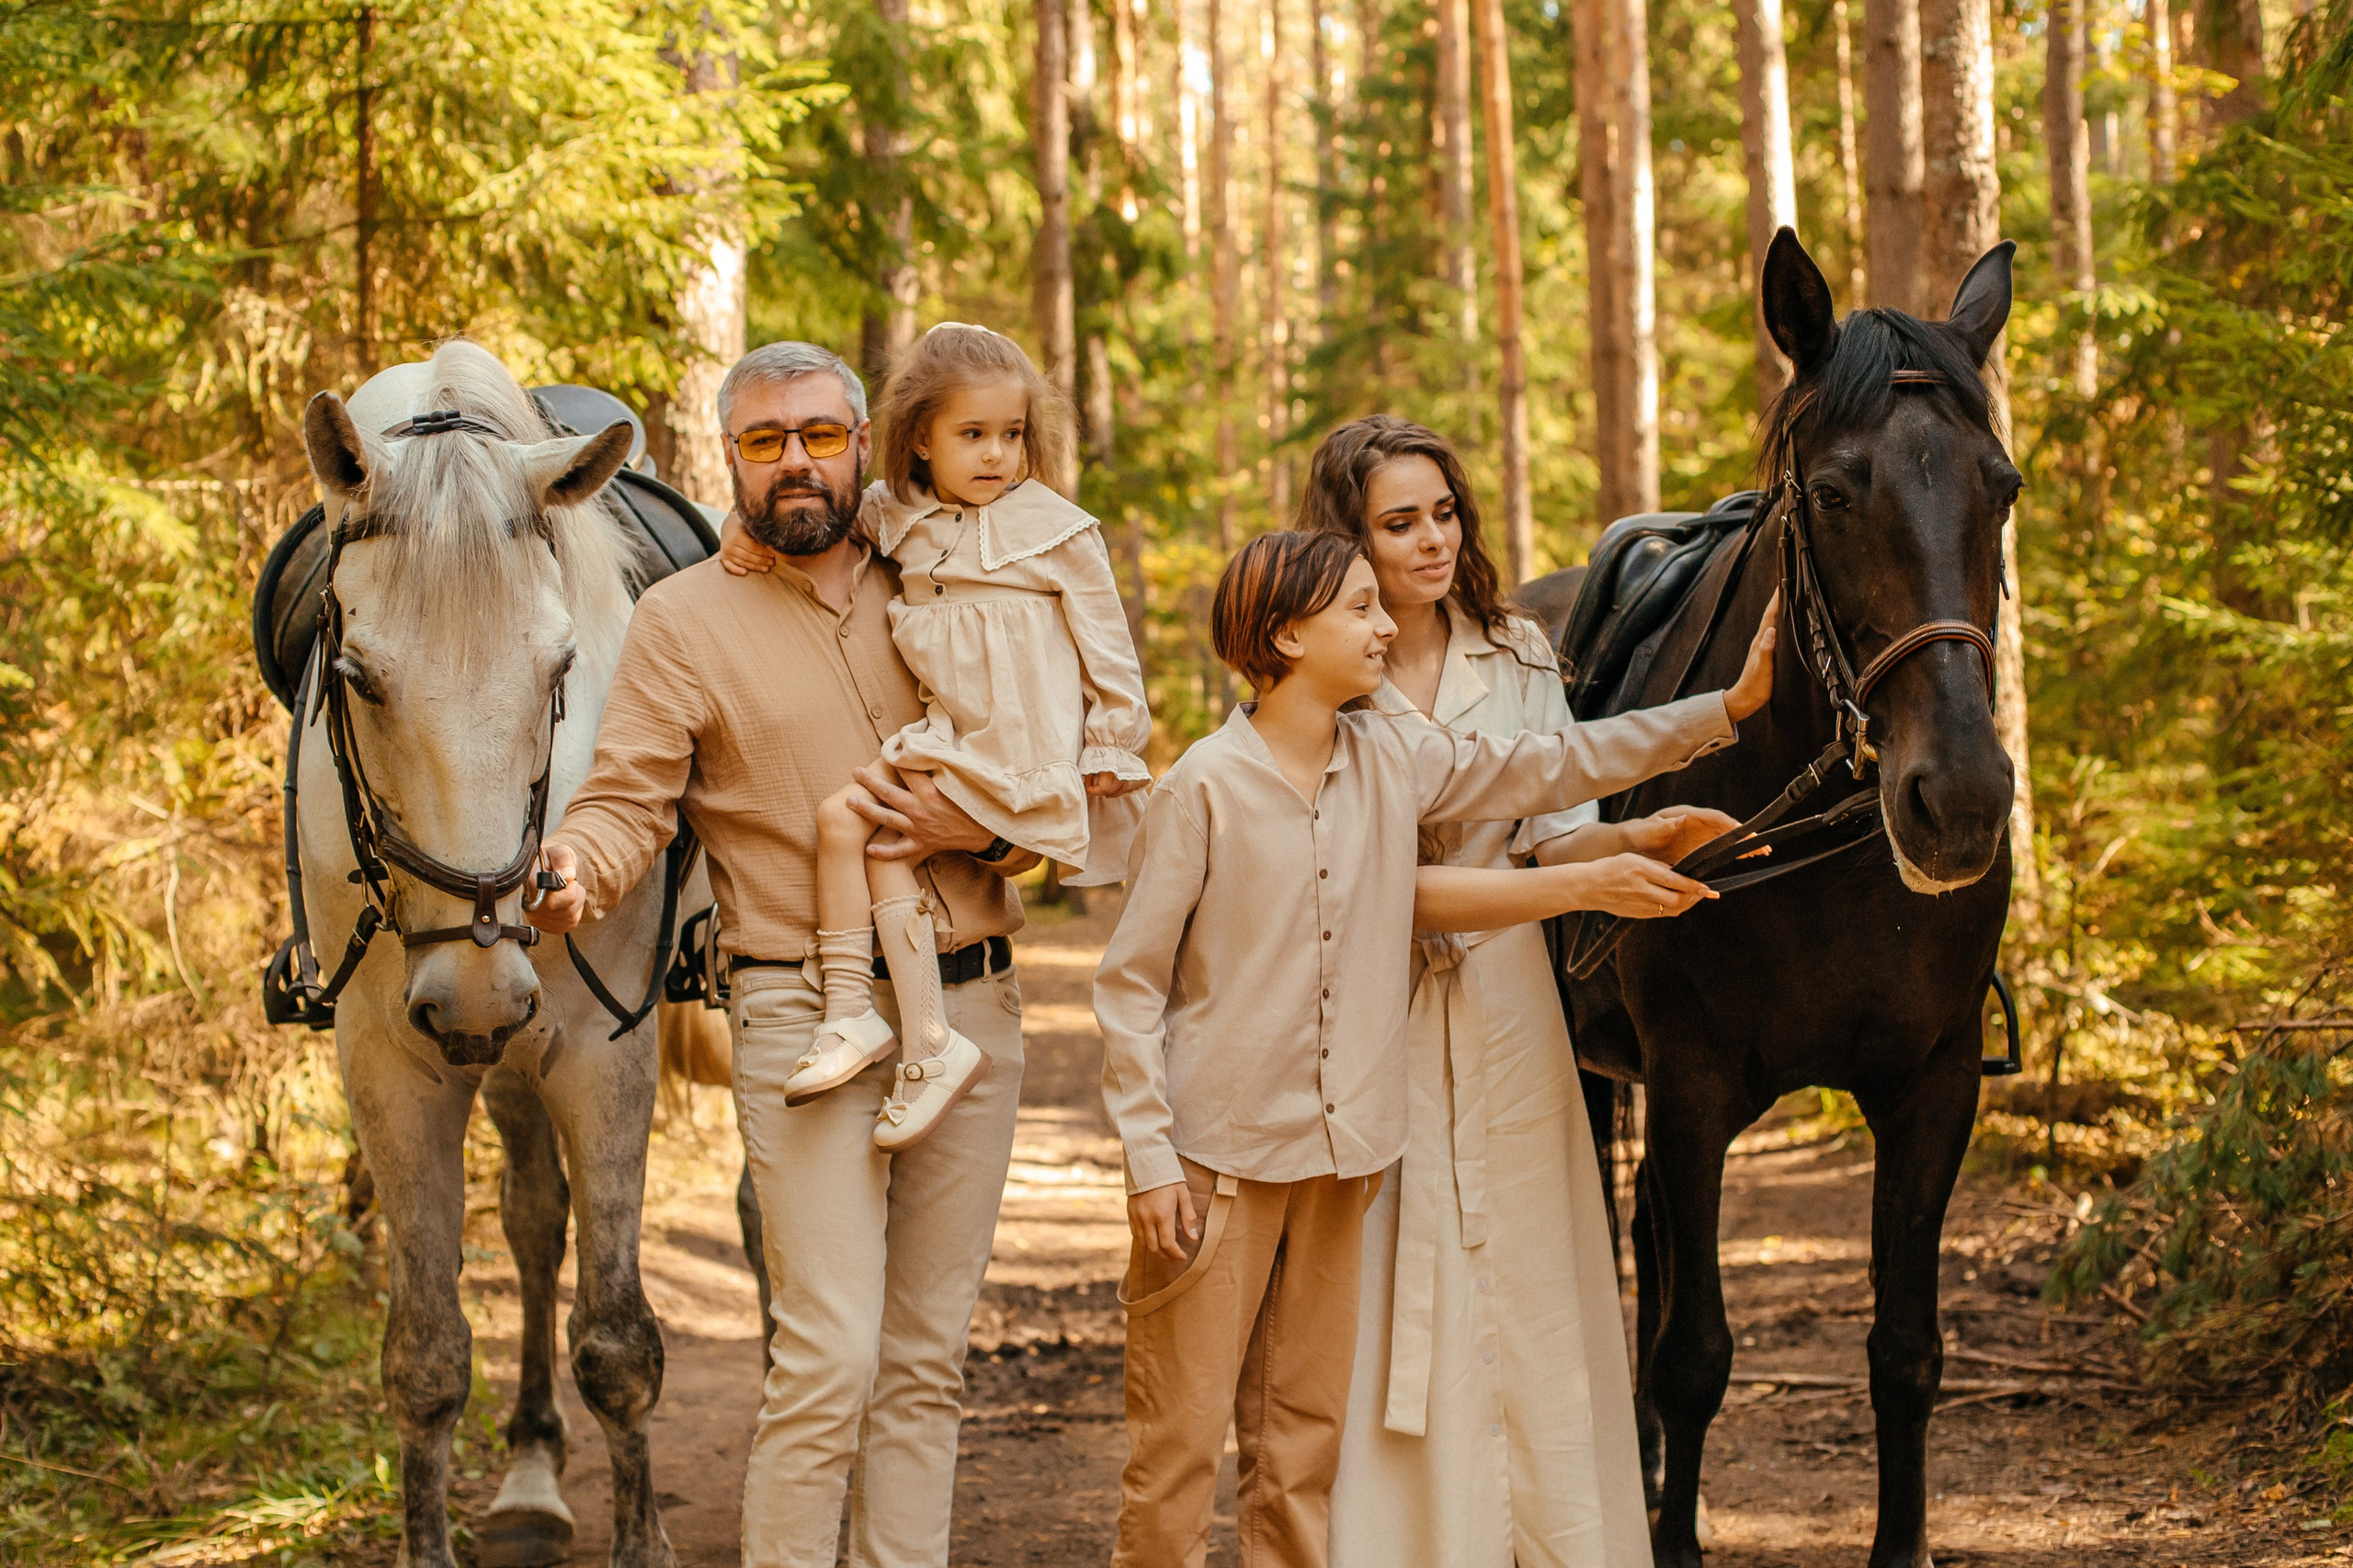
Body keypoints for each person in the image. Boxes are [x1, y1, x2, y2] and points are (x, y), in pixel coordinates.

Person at [1094, 529, 1774, 1568]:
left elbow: (1550, 762)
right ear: (1284, 634)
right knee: (1180, 1452)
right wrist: (1147, 1159)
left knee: (1300, 1446)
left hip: (1341, 1159)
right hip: (1212, 1165)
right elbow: (1129, 985)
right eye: (1359, 608)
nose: (1382, 625)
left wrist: (1721, 712)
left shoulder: (1391, 756)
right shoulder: (1202, 787)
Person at [523, 341, 1037, 1568]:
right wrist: (576, 864)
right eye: (765, 440)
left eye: (818, 432)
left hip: (976, 1011)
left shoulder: (953, 585)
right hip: (800, 1015)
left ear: (867, 445)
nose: (795, 458)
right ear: (730, 461)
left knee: (923, 1361)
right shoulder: (679, 621)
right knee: (828, 1355)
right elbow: (627, 798)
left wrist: (987, 828)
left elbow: (1055, 781)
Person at [1303, 415, 1732, 1568]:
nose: (1432, 541)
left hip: (1508, 1004)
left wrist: (1645, 839)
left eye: (1445, 513)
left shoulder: (1518, 651)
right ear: (1349, 537)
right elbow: (1338, 867)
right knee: (1392, 1279)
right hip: (1367, 1013)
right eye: (1399, 523)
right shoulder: (1315, 658)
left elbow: (1554, 830)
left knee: (1537, 1279)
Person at [715, 323, 1150, 1151]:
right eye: (973, 436)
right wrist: (740, 532)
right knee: (845, 824)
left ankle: (908, 1037)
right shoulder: (898, 520)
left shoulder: (1058, 530)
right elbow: (809, 516)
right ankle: (869, 1022)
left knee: (877, 846)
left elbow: (1110, 652)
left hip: (1016, 748)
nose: (996, 456)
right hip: (951, 739)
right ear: (920, 439)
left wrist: (1110, 744)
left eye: (1012, 435)